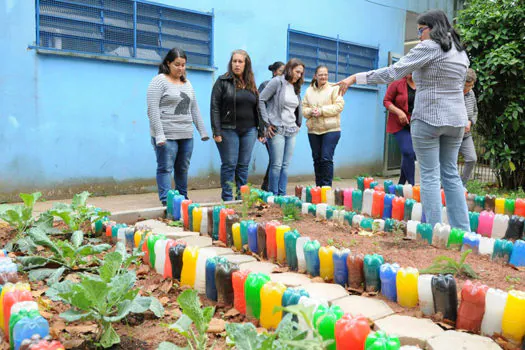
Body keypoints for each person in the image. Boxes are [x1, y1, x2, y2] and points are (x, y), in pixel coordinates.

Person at [336, 9, 470, 231]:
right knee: (450, 174)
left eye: (421, 30)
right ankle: (464, 232)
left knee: (429, 175)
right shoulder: (461, 52)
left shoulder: (429, 47)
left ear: (433, 28)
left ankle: (435, 231)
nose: (419, 36)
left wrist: (355, 78)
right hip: (456, 120)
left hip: (429, 118)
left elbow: (393, 72)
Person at [147, 48, 209, 205]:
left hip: (186, 135)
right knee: (165, 168)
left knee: (182, 169)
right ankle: (167, 201)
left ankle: (183, 199)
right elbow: (152, 109)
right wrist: (159, 134)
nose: (181, 68)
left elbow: (194, 108)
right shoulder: (159, 81)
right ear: (168, 63)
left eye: (183, 65)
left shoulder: (187, 83)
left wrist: (202, 130)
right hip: (166, 135)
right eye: (177, 65)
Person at [210, 49, 265, 201]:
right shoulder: (222, 81)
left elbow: (258, 108)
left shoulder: (250, 83)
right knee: (229, 164)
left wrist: (261, 130)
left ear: (246, 64)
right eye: (234, 61)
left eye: (240, 61)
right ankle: (227, 198)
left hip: (250, 130)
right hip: (228, 130)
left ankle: (241, 198)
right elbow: (214, 106)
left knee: (243, 166)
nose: (237, 64)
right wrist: (216, 131)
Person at [259, 58, 304, 196]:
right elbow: (261, 99)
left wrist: (298, 124)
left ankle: (282, 195)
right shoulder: (277, 82)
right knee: (276, 165)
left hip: (291, 130)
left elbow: (296, 108)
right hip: (277, 129)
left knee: (285, 166)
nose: (299, 75)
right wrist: (266, 123)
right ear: (290, 69)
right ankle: (274, 195)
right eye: (297, 72)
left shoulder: (296, 87)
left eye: (301, 73)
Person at [302, 65, 345, 187]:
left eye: (325, 74)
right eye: (320, 74)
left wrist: (321, 111)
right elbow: (303, 109)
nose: (323, 77)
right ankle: (318, 187)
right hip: (313, 130)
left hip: (331, 130)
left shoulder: (334, 88)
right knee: (317, 159)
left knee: (326, 158)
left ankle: (326, 188)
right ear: (315, 76)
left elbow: (339, 106)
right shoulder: (309, 90)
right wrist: (311, 111)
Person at [383, 74, 417, 185]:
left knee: (409, 155)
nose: (411, 73)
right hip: (399, 124)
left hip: (416, 125)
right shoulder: (397, 83)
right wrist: (399, 112)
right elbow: (386, 101)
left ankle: (401, 184)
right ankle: (412, 186)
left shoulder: (423, 84)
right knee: (408, 152)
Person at [259, 61, 285, 191]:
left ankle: (267, 186)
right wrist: (263, 129)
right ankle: (268, 187)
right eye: (281, 71)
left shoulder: (286, 86)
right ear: (275, 72)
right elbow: (259, 106)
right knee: (275, 159)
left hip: (282, 129)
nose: (284, 74)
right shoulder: (265, 85)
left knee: (276, 159)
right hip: (269, 128)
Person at [459, 68, 478, 186]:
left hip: (466, 135)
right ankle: (444, 187)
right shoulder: (454, 93)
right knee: (447, 163)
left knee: (472, 159)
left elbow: (475, 111)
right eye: (465, 86)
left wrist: (470, 121)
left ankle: (462, 186)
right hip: (451, 135)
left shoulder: (471, 93)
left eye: (470, 86)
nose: (467, 89)